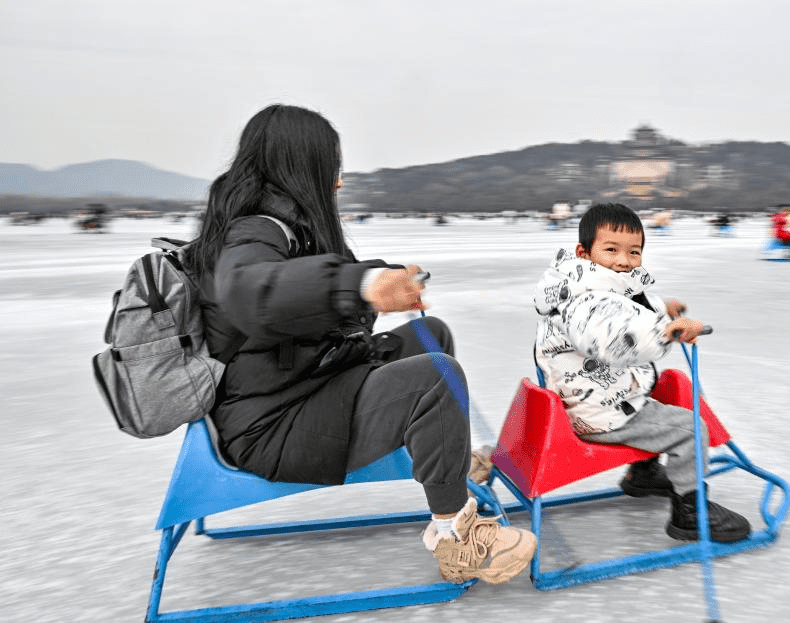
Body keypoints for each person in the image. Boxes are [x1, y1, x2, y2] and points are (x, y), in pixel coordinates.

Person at [186, 104, 535, 584]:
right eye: (333, 168)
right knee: (433, 376)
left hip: (306, 389)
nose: (339, 182)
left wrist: (382, 281)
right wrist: (362, 284)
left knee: (428, 337)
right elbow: (255, 292)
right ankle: (456, 537)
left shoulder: (288, 226)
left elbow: (313, 299)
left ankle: (446, 466)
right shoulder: (253, 229)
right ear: (300, 165)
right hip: (272, 424)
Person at [533, 203, 750, 542]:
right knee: (690, 429)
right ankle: (690, 512)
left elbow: (629, 305)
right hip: (602, 413)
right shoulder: (584, 303)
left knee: (662, 402)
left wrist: (663, 309)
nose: (624, 260)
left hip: (602, 400)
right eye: (611, 250)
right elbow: (614, 336)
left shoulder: (588, 285)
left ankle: (644, 473)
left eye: (634, 252)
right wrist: (666, 331)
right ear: (584, 252)